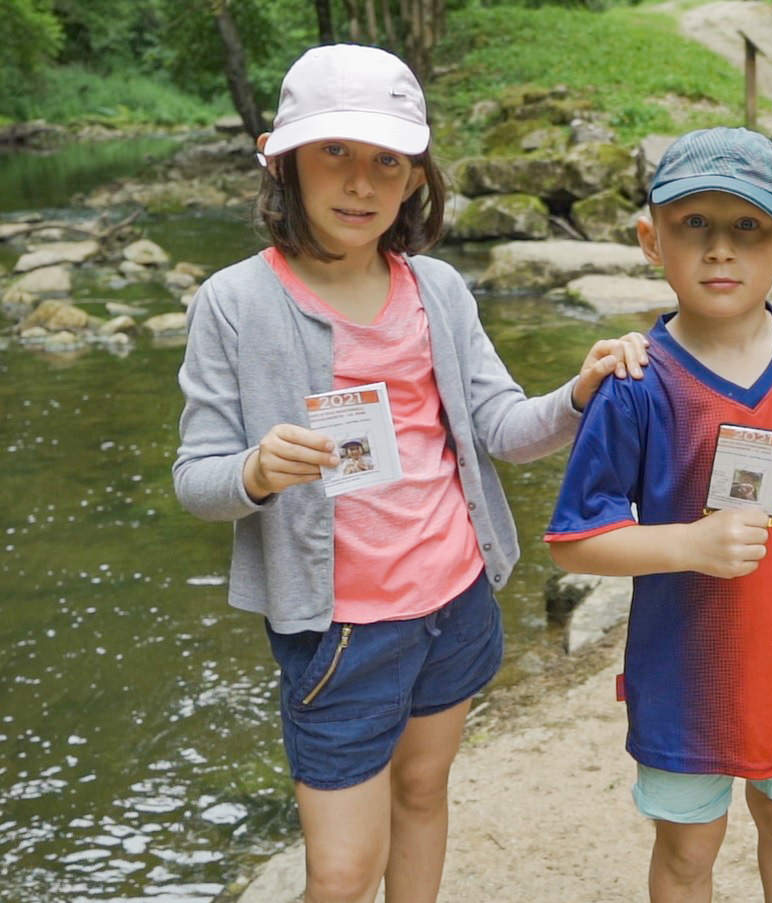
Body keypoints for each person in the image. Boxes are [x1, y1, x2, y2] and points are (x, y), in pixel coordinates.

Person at [172, 44, 648, 903]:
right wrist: (256, 469)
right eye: (336, 154)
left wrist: (578, 391)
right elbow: (195, 479)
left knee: (425, 793)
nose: (360, 183)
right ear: (284, 161)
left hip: (455, 599)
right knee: (343, 872)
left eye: (385, 161)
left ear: (413, 179)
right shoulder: (234, 302)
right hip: (337, 633)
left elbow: (504, 429)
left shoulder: (437, 288)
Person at [544, 127, 772, 903]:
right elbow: (575, 541)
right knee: (687, 849)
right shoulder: (636, 384)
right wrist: (688, 543)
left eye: (748, 228)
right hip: (684, 674)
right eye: (693, 224)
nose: (719, 250)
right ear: (650, 239)